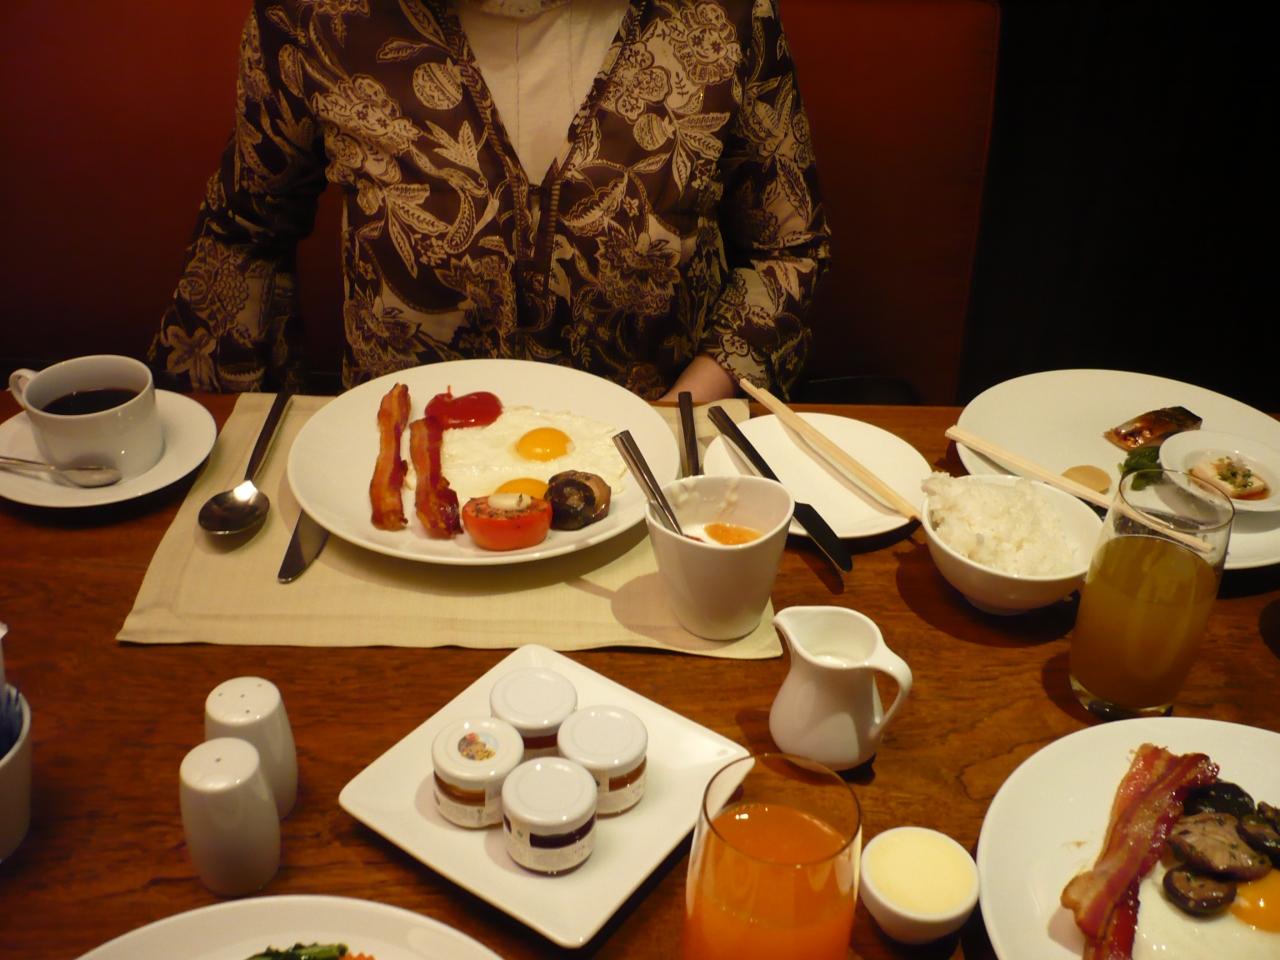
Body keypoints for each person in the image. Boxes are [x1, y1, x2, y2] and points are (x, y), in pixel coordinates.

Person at [148, 0, 829, 402]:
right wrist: (254, 451)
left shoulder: (721, 15)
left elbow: (787, 249)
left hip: (649, 475)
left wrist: (682, 412)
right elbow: (243, 236)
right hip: (404, 482)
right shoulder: (317, 18)